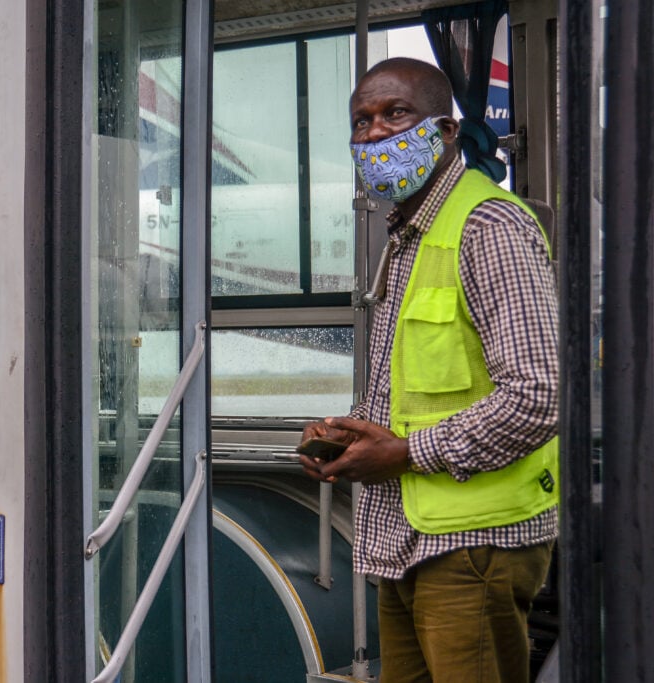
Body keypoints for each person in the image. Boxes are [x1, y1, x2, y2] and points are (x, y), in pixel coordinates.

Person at [299, 57, 558, 683]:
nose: (375, 133)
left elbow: (541, 394)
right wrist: (348, 432)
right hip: (406, 537)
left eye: (396, 113)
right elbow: (413, 386)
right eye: (362, 121)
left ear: (444, 132)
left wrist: (407, 454)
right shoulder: (410, 234)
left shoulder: (487, 225)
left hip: (473, 544)